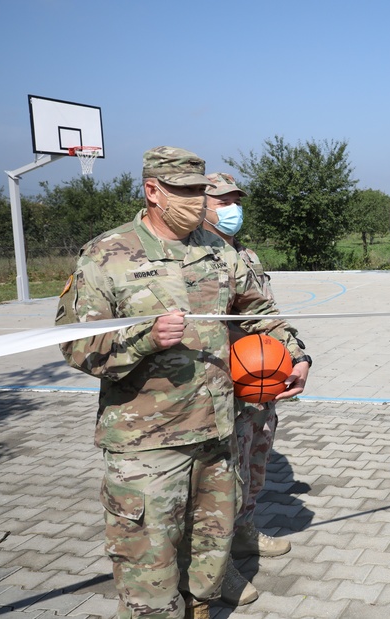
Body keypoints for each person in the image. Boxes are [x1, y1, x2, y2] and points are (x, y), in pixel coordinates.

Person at [56, 147, 310, 619]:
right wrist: (143, 339)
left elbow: (258, 312)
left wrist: (296, 353)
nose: (197, 201)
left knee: (207, 571)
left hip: (216, 437)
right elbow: (76, 348)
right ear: (153, 191)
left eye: (199, 191)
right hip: (148, 447)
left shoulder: (216, 251)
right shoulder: (106, 254)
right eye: (185, 191)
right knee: (149, 578)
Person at [202, 173, 311, 607]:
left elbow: (267, 313)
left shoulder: (245, 254)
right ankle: (217, 564)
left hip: (261, 384)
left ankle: (246, 533)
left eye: (235, 200)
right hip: (220, 387)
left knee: (256, 461)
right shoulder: (195, 259)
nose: (232, 208)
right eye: (222, 201)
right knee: (221, 481)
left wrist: (298, 355)